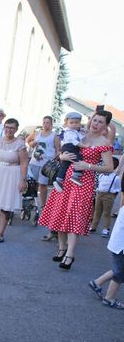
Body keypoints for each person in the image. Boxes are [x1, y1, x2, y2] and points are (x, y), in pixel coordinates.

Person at [38, 110, 115, 270]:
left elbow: (109, 167)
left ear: (105, 126)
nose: (96, 124)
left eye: (101, 122)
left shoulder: (104, 142)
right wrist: (62, 157)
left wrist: (88, 166)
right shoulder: (78, 133)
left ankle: (70, 254)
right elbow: (64, 150)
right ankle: (61, 248)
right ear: (90, 120)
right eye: (95, 120)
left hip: (83, 182)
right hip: (66, 177)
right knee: (60, 212)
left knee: (74, 216)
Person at [88, 209, 124, 309]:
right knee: (119, 273)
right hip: (121, 247)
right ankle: (109, 298)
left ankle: (96, 283)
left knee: (118, 269)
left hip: (117, 245)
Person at [26, 116, 60, 210]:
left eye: (48, 122)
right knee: (32, 183)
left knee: (43, 184)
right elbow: (28, 141)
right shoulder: (37, 133)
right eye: (44, 122)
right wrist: (32, 144)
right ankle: (31, 202)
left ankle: (43, 205)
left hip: (46, 164)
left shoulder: (55, 136)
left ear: (51, 124)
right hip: (34, 162)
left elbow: (58, 150)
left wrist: (56, 160)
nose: (46, 124)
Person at [90, 156, 120, 236]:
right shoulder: (101, 175)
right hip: (99, 194)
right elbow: (99, 185)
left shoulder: (116, 177)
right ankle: (93, 226)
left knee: (106, 213)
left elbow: (117, 189)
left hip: (109, 195)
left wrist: (113, 196)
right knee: (97, 211)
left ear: (113, 166)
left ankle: (106, 228)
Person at [53, 111, 84, 191]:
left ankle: (59, 179)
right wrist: (83, 145)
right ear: (66, 123)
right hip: (71, 147)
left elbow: (81, 137)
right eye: (71, 123)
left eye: (76, 123)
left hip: (67, 148)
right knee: (78, 158)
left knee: (65, 165)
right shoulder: (69, 131)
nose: (74, 124)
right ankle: (76, 175)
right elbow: (75, 141)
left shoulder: (76, 131)